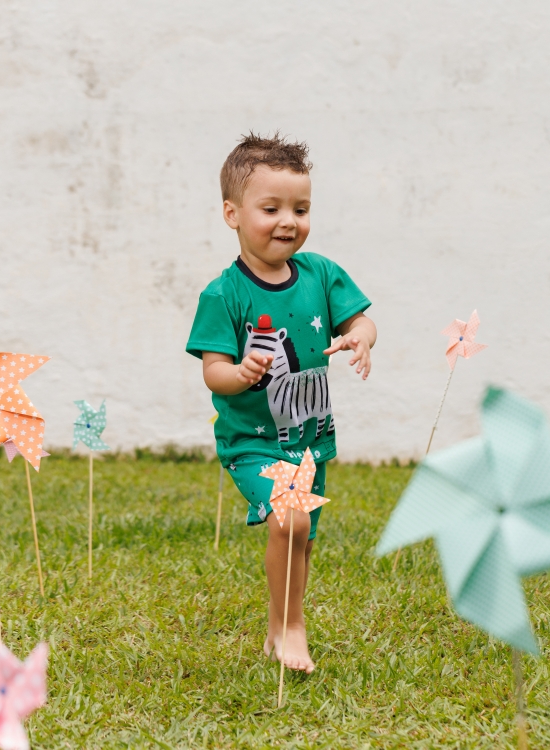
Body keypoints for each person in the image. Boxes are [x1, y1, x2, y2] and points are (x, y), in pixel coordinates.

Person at [186, 132, 377, 674]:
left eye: (301, 208)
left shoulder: (320, 273)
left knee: (301, 536)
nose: (288, 221)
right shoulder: (224, 294)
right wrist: (240, 371)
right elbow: (213, 373)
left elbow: (360, 318)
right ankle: (293, 627)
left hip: (310, 439)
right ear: (233, 213)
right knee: (287, 519)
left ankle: (280, 622)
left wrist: (362, 336)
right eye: (271, 208)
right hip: (253, 442)